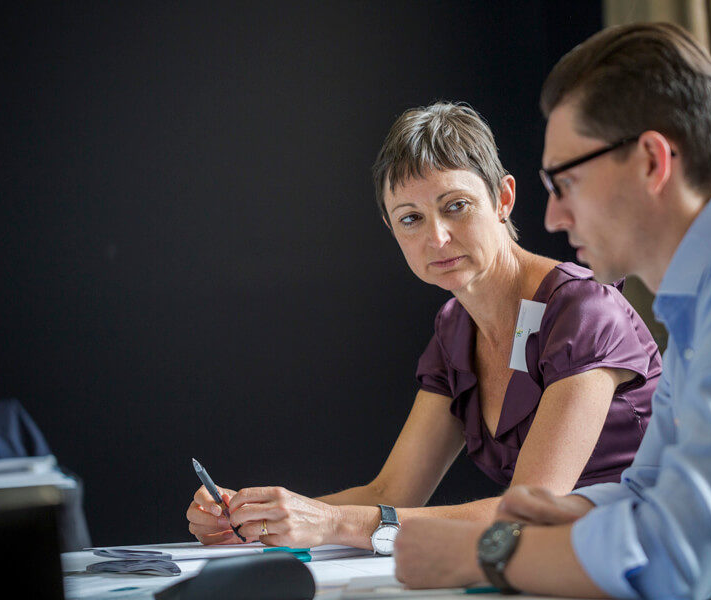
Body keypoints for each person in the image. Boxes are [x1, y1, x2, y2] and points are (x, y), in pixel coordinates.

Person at [392, 23, 711, 600]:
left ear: (651, 161)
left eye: (566, 181)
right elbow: (647, 490)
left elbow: (675, 560)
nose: (553, 218)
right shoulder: (707, 302)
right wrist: (550, 513)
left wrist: (486, 550)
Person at [186, 101, 662, 553]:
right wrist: (257, 520)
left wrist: (329, 523)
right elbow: (393, 491)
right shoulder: (456, 328)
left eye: (455, 206)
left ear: (503, 198)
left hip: (642, 568)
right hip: (547, 571)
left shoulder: (584, 310)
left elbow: (525, 514)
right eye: (410, 219)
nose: (436, 237)